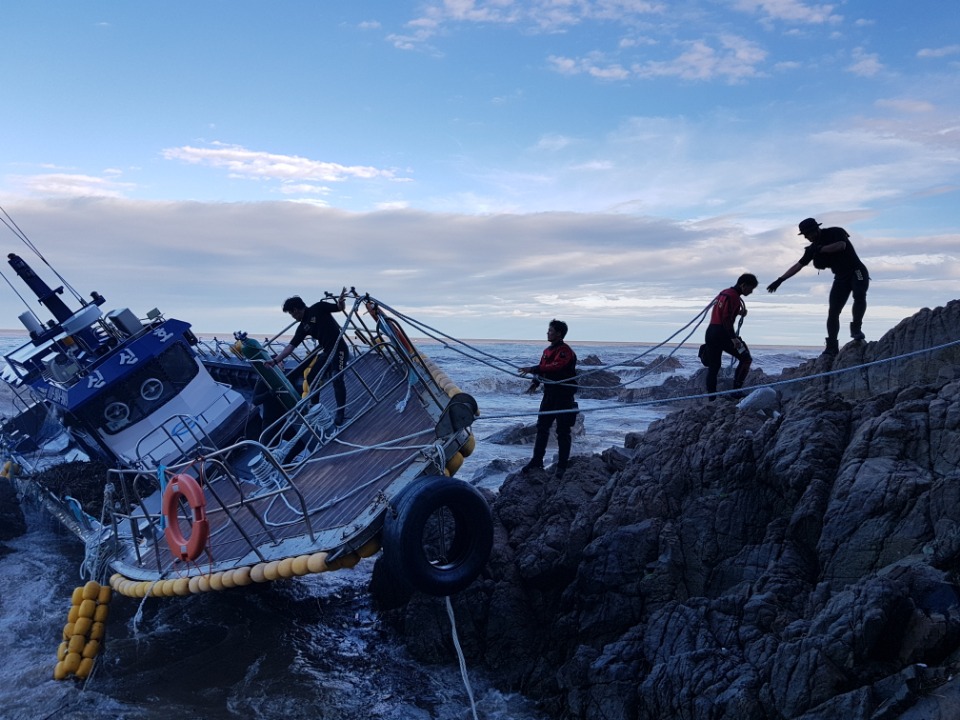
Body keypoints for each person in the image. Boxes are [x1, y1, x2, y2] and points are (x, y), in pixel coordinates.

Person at [767, 218, 870, 356]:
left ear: (816, 229)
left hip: (857, 271)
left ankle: (856, 329)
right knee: (833, 311)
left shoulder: (835, 232)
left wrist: (820, 249)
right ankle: (832, 346)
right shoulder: (811, 249)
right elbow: (798, 266)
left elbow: (841, 245)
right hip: (840, 277)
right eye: (805, 235)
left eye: (808, 234)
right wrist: (780, 280)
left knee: (859, 295)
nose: (807, 237)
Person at [265, 290, 349, 425]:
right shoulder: (303, 326)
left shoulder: (318, 308)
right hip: (327, 352)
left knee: (337, 377)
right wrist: (276, 360)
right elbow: (291, 346)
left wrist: (340, 302)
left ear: (296, 310)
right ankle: (316, 408)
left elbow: (338, 308)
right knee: (311, 378)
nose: (292, 316)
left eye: (291, 313)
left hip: (339, 349)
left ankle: (341, 413)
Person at [519, 319, 578, 479]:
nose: (548, 333)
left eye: (551, 330)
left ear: (559, 333)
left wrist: (532, 369)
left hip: (564, 395)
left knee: (563, 431)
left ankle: (562, 466)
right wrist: (535, 383)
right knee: (542, 427)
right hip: (549, 394)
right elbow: (543, 369)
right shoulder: (547, 351)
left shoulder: (565, 351)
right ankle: (537, 460)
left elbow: (555, 366)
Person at [703, 273, 757, 400]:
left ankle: (712, 397)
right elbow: (726, 319)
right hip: (723, 333)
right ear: (743, 286)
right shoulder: (734, 297)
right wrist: (734, 339)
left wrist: (739, 312)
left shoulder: (724, 293)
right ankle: (736, 391)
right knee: (746, 358)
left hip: (711, 332)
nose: (751, 291)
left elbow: (722, 310)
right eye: (751, 288)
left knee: (714, 366)